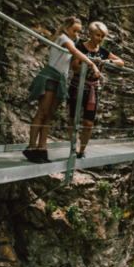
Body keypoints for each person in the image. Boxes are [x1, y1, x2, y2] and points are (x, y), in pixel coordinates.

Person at [24, 16, 101, 163]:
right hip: (50, 75)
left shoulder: (70, 41)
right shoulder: (62, 37)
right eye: (74, 30)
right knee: (43, 112)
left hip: (61, 78)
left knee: (50, 114)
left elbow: (72, 63)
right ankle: (31, 148)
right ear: (66, 27)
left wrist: (92, 60)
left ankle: (42, 148)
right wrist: (92, 64)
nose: (76, 34)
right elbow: (75, 52)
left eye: (78, 31)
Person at [67, 21, 124, 158]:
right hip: (77, 86)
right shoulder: (80, 47)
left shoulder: (103, 52)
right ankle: (73, 148)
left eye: (102, 36)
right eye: (98, 35)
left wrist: (106, 61)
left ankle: (81, 150)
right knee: (73, 118)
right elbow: (75, 67)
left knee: (88, 122)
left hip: (92, 89)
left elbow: (121, 62)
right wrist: (92, 63)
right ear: (90, 34)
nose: (100, 38)